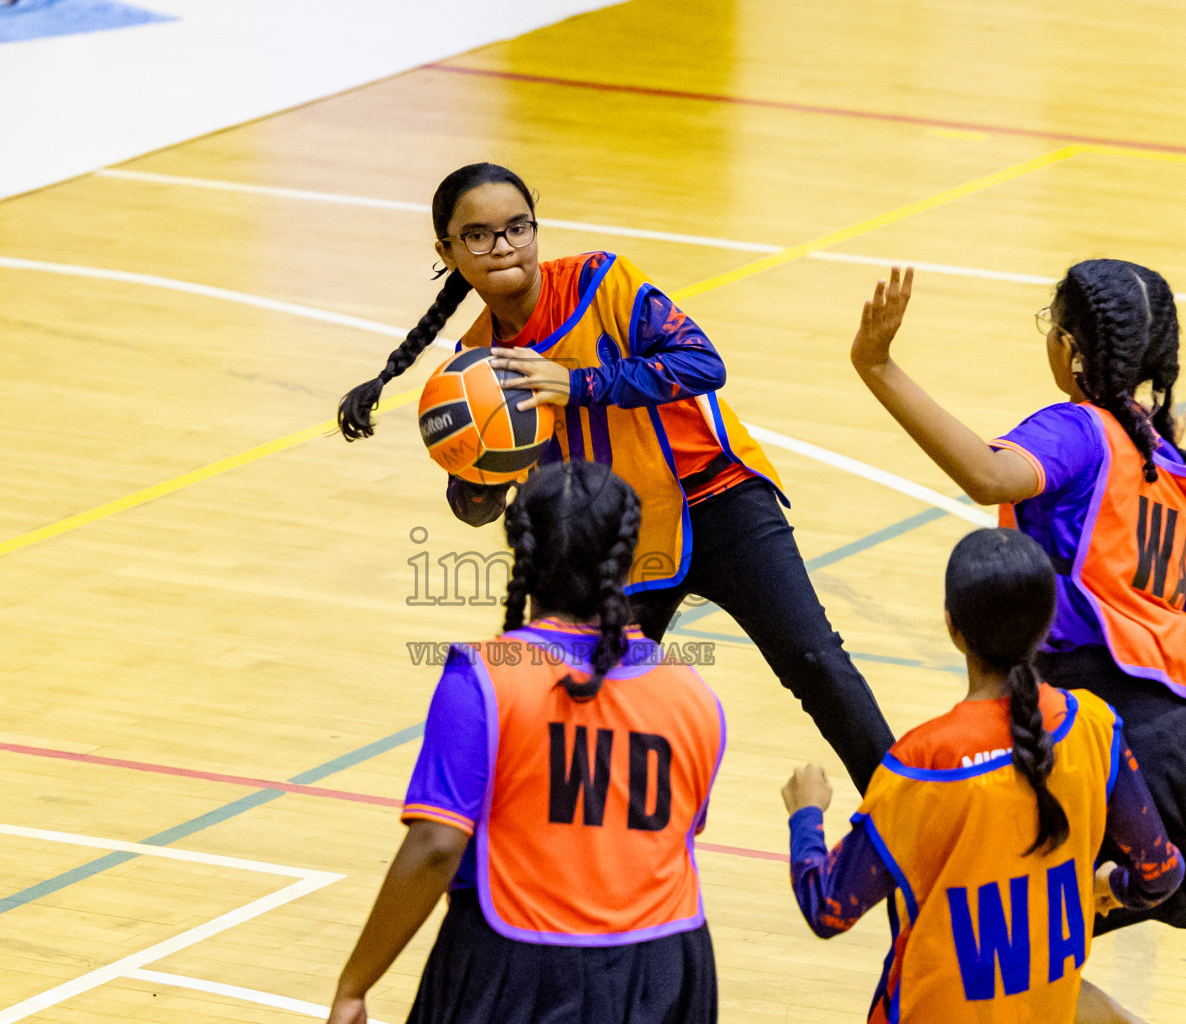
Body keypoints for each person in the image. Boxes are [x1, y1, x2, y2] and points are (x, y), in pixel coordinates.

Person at [337, 161, 894, 791]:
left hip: (715, 498)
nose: (503, 247)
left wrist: (577, 385)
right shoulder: (472, 367)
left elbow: (703, 362)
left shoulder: (603, 281)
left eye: (518, 227)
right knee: (582, 704)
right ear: (447, 250)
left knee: (815, 661)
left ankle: (913, 817)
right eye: (478, 235)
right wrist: (477, 468)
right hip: (616, 543)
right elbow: (473, 508)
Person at [845, 260, 1186, 941]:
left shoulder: (1079, 432)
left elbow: (987, 474)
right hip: (1171, 744)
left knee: (968, 934)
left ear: (1073, 350)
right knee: (1039, 958)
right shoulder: (1171, 466)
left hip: (1099, 729)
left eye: (1052, 326)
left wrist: (877, 366)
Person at [327, 461, 725, 1024]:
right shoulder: (694, 697)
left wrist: (354, 984)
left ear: (522, 554)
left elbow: (438, 846)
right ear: (629, 559)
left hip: (519, 966)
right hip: (666, 970)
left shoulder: (484, 680)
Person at [782, 527, 1184, 1024]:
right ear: (1047, 625)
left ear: (953, 628)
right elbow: (1162, 873)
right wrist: (1114, 886)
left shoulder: (922, 764)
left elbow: (827, 907)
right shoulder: (1094, 726)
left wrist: (806, 814)